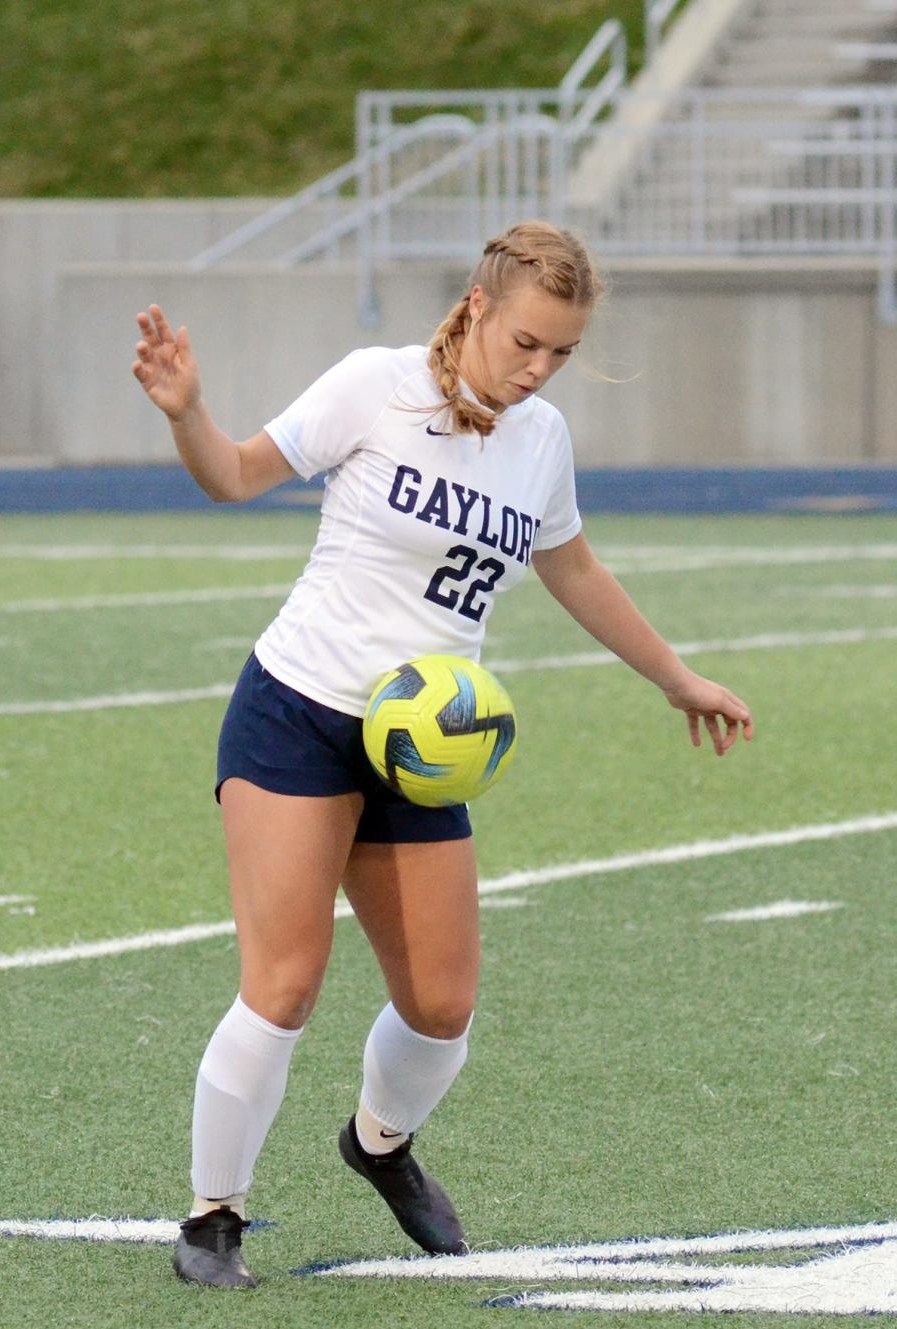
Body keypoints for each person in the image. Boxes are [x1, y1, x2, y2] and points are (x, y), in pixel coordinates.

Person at [132, 220, 753, 1289]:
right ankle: (212, 1220)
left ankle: (378, 1143)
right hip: (301, 711)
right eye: (526, 341)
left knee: (442, 1007)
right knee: (283, 987)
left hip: (424, 751)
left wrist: (676, 675)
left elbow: (577, 571)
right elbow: (234, 476)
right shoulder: (373, 387)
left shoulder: (541, 439)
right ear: (476, 306)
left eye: (559, 352)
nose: (539, 368)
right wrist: (191, 415)